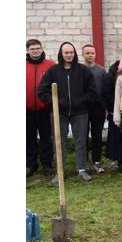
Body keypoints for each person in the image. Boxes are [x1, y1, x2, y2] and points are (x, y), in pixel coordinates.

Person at [37, 42, 99, 182]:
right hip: (60, 112)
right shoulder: (53, 71)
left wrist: (81, 101)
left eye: (71, 52)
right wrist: (55, 102)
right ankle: (60, 171)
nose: (69, 55)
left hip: (80, 112)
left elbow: (92, 91)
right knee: (59, 141)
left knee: (80, 140)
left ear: (75, 53)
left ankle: (82, 169)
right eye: (66, 53)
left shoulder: (83, 70)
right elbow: (42, 91)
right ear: (61, 53)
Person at [27, 39, 56, 178]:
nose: (35, 51)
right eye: (32, 49)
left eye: (37, 48)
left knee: (46, 138)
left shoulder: (50, 65)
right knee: (28, 138)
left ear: (42, 49)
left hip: (45, 109)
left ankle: (47, 164)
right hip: (26, 110)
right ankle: (30, 165)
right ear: (27, 50)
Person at [81, 43, 107, 175]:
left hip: (98, 108)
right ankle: (83, 163)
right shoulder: (79, 70)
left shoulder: (101, 70)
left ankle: (96, 161)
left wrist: (105, 106)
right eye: (87, 53)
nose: (90, 55)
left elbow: (105, 89)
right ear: (83, 54)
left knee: (97, 135)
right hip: (83, 108)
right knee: (83, 135)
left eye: (92, 53)